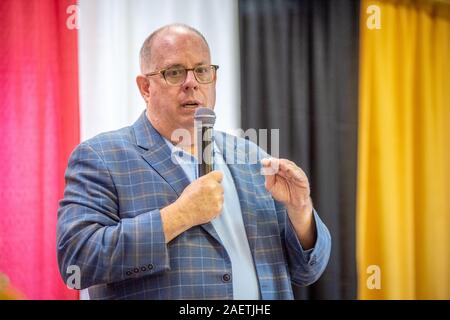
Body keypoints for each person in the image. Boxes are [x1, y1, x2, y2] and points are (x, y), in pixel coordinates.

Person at [57, 23, 331, 300]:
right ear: (145, 87)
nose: (192, 82)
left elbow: (308, 271)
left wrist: (301, 211)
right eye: (174, 72)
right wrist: (178, 216)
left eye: (201, 70)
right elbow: (76, 261)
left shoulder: (253, 156)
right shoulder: (101, 156)